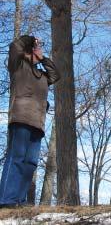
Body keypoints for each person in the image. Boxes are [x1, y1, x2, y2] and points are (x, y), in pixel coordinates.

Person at [0, 35, 60, 208]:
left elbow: (55, 75)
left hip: (38, 123)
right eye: (36, 50)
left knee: (31, 163)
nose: (39, 51)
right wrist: (31, 40)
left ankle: (18, 200)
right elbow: (15, 46)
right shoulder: (18, 66)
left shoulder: (42, 76)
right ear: (28, 53)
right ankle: (6, 199)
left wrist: (42, 58)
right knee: (16, 157)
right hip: (21, 118)